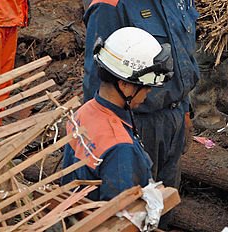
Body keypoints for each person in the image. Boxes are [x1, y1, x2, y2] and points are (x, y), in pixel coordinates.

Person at [82, 0, 209, 188]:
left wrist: (185, 113)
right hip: (135, 124)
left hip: (173, 118)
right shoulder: (112, 4)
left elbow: (184, 55)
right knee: (135, 207)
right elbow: (95, 82)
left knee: (165, 198)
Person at [60, 27, 172, 201]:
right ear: (124, 85)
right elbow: (119, 217)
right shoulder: (120, 147)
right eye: (146, 85)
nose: (149, 91)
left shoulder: (84, 112)